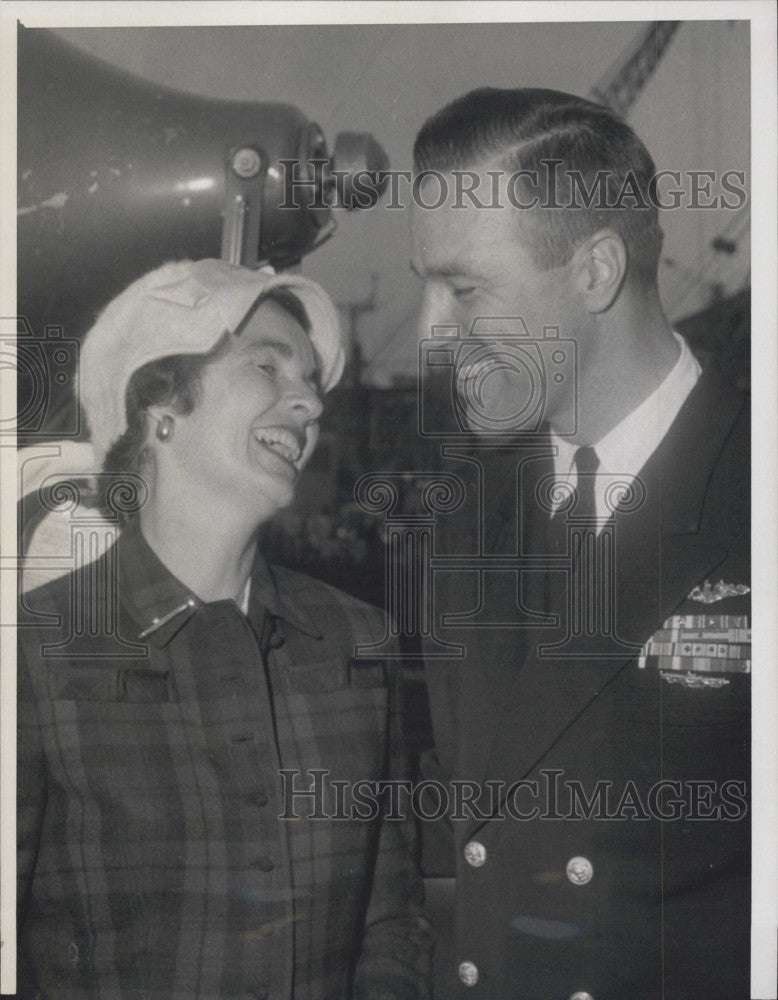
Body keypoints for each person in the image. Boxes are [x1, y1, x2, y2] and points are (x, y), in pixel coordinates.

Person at [410, 89, 750, 999]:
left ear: (596, 271)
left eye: (464, 288)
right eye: (426, 288)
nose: (430, 334)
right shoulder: (463, 521)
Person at [17, 259, 431, 1000]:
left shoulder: (356, 642)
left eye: (310, 383)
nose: (307, 402)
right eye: (267, 367)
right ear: (159, 405)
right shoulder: (33, 654)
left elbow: (390, 920)